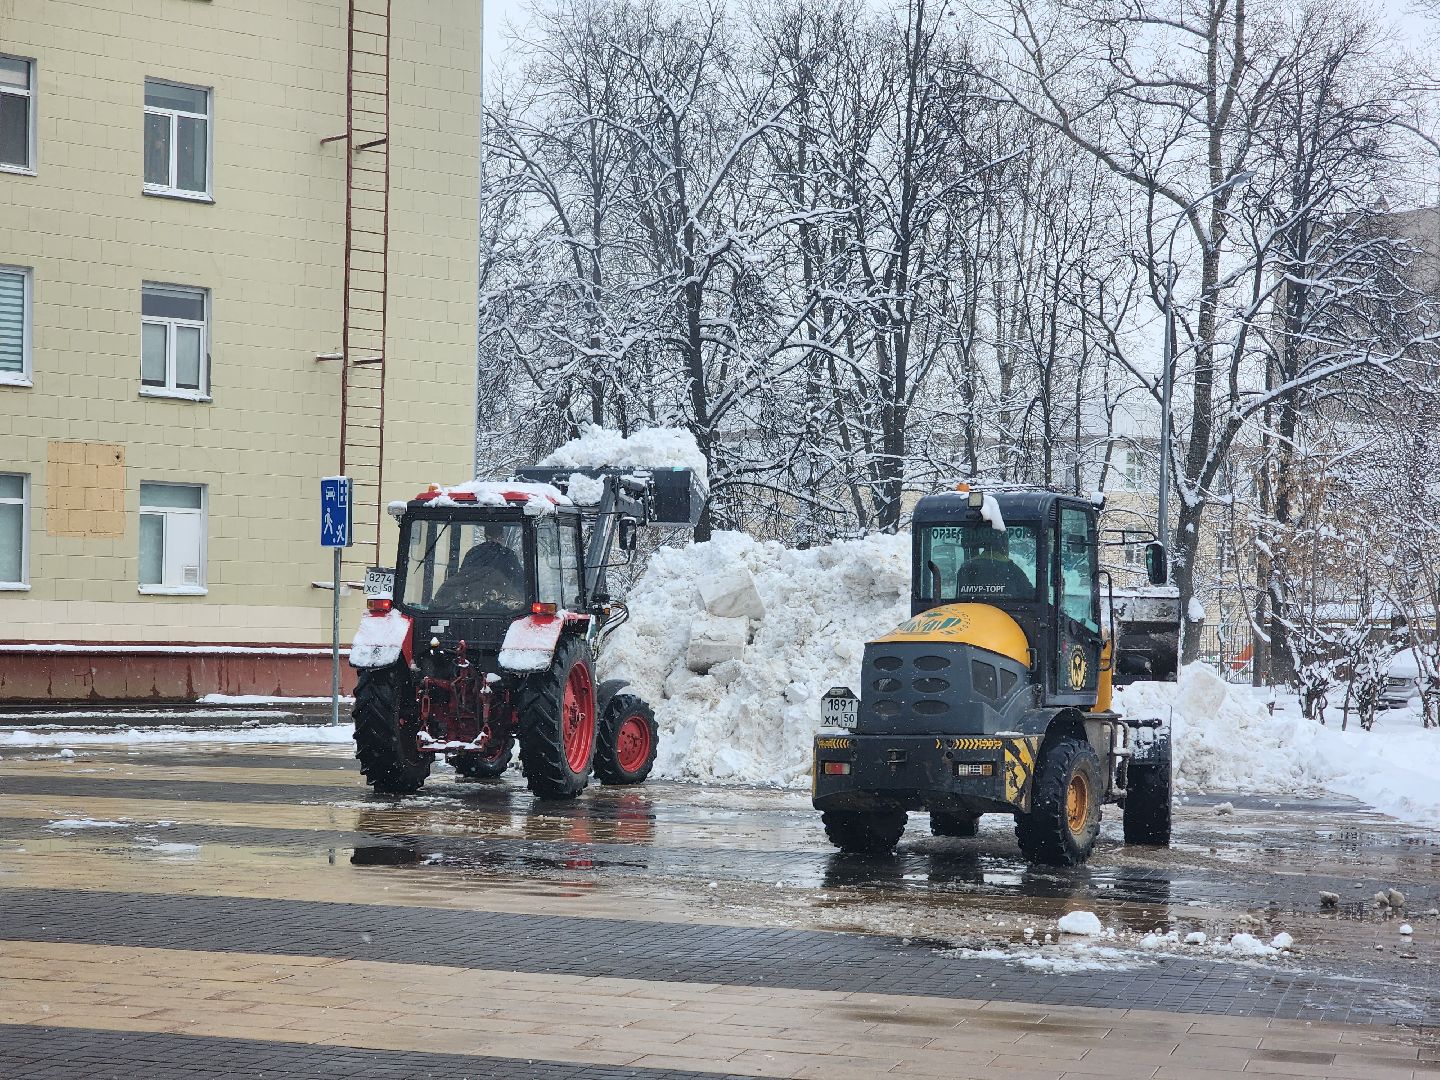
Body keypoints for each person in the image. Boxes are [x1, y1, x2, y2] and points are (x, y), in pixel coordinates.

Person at [954, 528, 1032, 597]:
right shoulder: (1013, 571)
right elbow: (1029, 596)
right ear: (1004, 545)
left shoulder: (965, 569)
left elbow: (959, 600)